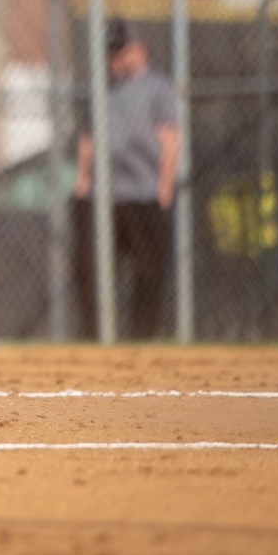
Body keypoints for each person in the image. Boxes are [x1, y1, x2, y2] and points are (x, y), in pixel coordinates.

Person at [72, 19, 179, 340]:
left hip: (143, 193)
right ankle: (95, 337)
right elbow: (88, 138)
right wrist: (82, 179)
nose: (115, 59)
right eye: (111, 52)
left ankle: (142, 338)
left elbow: (170, 138)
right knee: (89, 270)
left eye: (121, 51)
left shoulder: (157, 87)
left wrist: (165, 184)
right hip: (101, 195)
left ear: (139, 49)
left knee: (148, 272)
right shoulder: (102, 88)